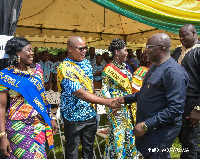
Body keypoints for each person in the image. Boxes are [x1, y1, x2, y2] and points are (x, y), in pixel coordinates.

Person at [117, 33, 189, 159]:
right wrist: (125, 99)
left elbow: (176, 108)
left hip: (161, 131)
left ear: (161, 48)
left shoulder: (173, 72)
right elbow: (146, 93)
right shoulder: (155, 66)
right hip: (151, 128)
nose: (145, 50)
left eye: (149, 46)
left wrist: (146, 125)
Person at [57, 36, 121, 159]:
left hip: (89, 113)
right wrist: (106, 102)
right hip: (73, 116)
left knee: (89, 148)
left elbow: (89, 87)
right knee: (72, 150)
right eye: (81, 49)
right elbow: (79, 92)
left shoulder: (86, 63)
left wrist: (95, 107)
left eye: (85, 48)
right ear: (70, 49)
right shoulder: (64, 67)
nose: (84, 51)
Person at [0, 37, 58, 159]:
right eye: (29, 50)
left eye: (32, 50)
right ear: (18, 53)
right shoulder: (5, 76)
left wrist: (51, 117)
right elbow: (1, 107)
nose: (32, 53)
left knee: (39, 156)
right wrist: (3, 136)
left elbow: (43, 97)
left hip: (38, 124)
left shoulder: (37, 72)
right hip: (17, 126)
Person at [102, 38, 138, 158]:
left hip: (128, 106)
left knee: (128, 133)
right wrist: (112, 104)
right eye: (125, 50)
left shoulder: (126, 67)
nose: (127, 53)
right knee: (118, 135)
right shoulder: (108, 69)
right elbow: (104, 89)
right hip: (116, 107)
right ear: (117, 52)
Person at [172, 24, 200, 159]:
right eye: (180, 36)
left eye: (185, 35)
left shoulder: (199, 51)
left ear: (194, 34)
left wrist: (198, 108)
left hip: (193, 103)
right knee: (183, 138)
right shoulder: (178, 51)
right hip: (177, 102)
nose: (181, 39)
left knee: (190, 142)